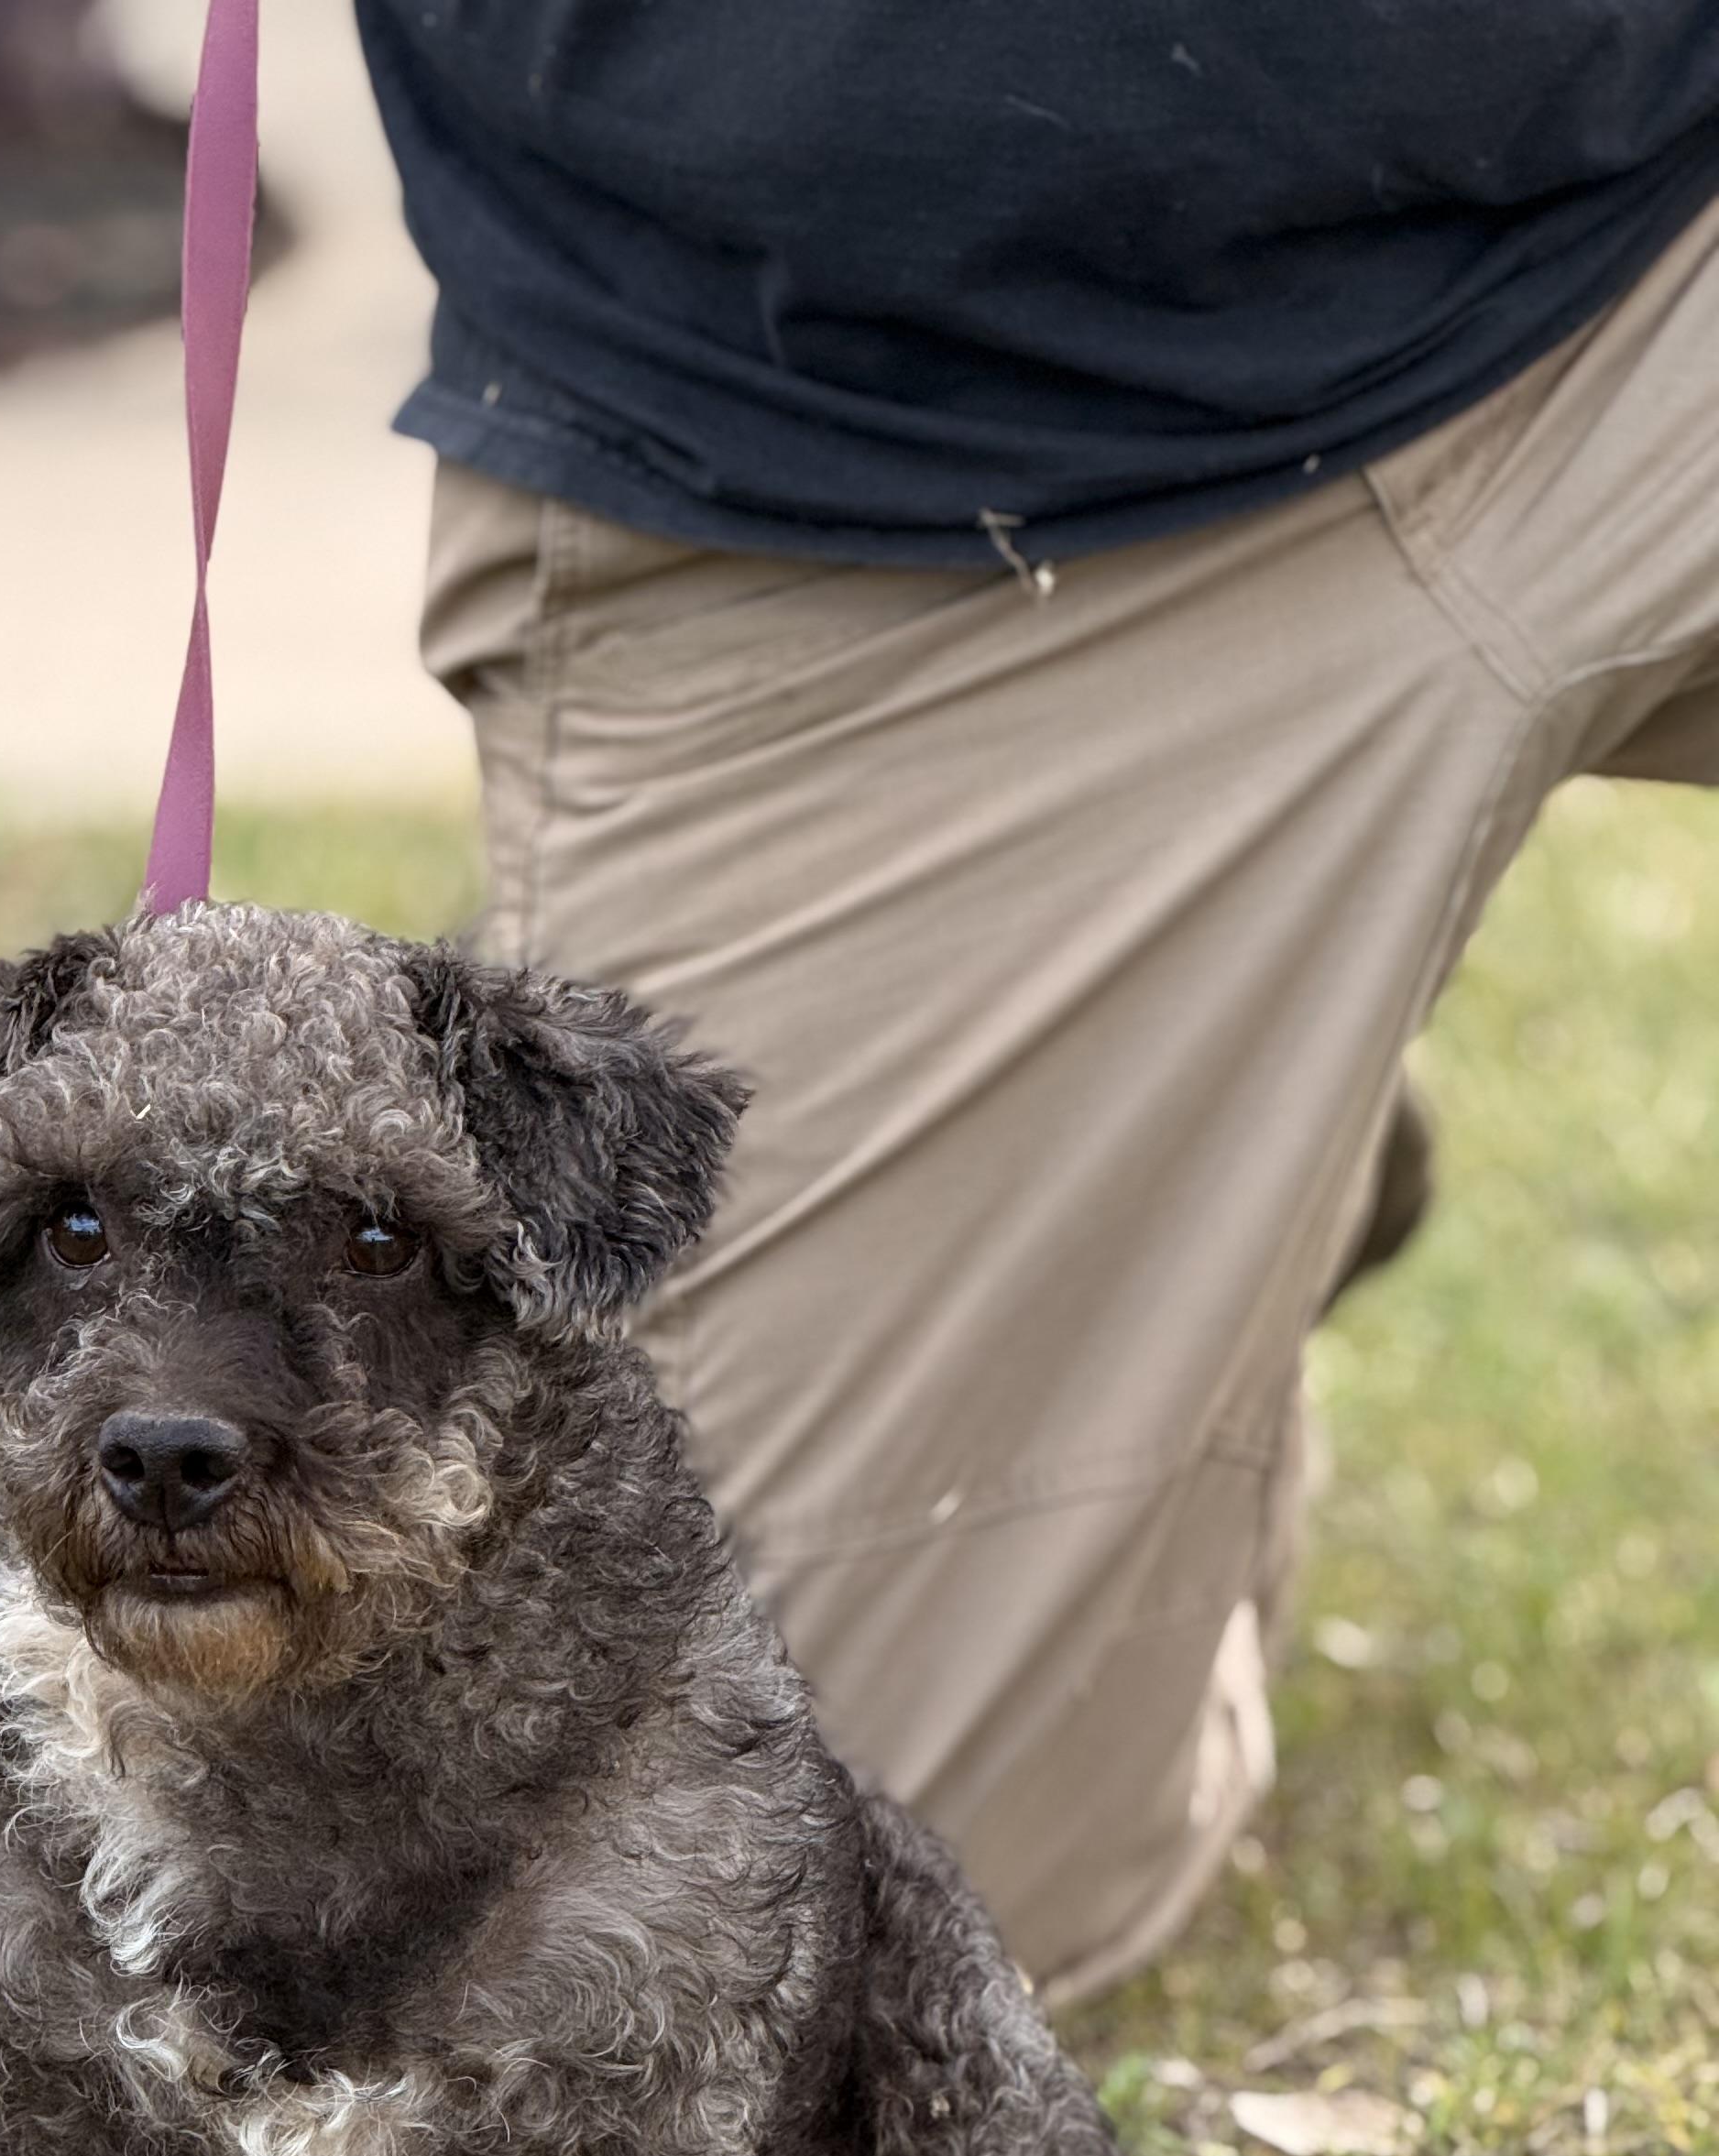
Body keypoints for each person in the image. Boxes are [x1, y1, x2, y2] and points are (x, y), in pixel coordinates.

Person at [354, 3, 1719, 1997]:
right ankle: (1200, 1123)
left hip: (1660, 224)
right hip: (882, 461)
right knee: (775, 1950)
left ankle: (1209, 1104)